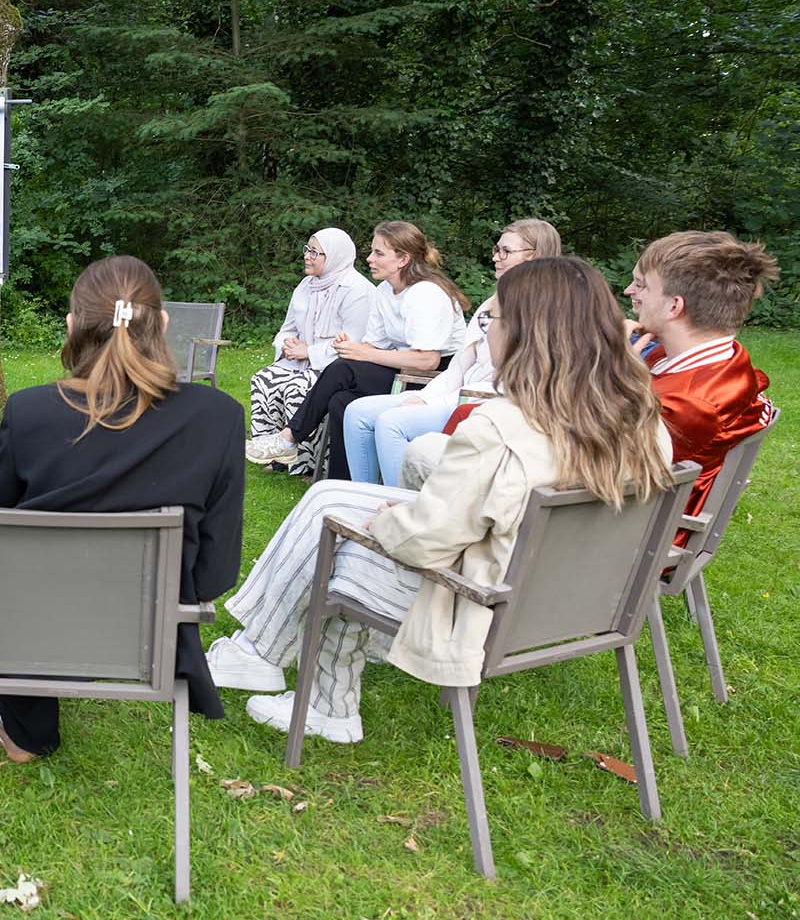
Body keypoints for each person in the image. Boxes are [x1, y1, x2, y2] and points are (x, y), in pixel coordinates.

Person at [208, 257, 673, 743]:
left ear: (525, 335)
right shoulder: (644, 421)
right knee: (333, 493)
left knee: (342, 540)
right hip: (573, 596)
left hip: (481, 604)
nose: (487, 331)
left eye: (495, 319)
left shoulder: (502, 427)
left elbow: (424, 543)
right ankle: (257, 654)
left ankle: (319, 699)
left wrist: (391, 522)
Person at [0, 256, 245, 760]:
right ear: (161, 324)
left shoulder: (29, 412)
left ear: (73, 326)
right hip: (149, 626)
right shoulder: (218, 417)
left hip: (24, 624)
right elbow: (215, 571)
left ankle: (25, 732)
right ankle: (25, 730)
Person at [345, 218, 562, 486]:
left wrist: (438, 401)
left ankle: (401, 507)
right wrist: (425, 398)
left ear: (536, 256)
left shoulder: (548, 310)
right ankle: (362, 496)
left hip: (486, 406)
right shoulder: (491, 303)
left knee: (392, 423)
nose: (496, 257)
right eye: (497, 249)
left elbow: (521, 381)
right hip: (453, 394)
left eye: (506, 251)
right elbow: (459, 367)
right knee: (357, 412)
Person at [246, 220, 468, 480]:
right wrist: (347, 347)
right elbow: (372, 346)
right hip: (400, 369)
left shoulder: (426, 294)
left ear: (403, 259)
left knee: (342, 368)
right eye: (372, 251)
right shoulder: (385, 290)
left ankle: (289, 437)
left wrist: (361, 354)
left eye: (378, 253)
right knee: (341, 400)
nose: (369, 258)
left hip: (432, 380)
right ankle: (340, 482)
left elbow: (428, 360)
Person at [625, 230, 779, 522]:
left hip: (639, 535)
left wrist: (611, 376)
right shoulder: (720, 357)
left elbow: (595, 461)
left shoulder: (692, 404)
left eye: (641, 285)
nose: (629, 292)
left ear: (674, 306)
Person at [246, 228, 376, 478]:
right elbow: (287, 329)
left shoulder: (357, 290)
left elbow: (353, 341)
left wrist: (309, 351)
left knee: (296, 387)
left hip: (336, 365)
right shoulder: (306, 286)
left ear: (335, 256)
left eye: (316, 252)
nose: (308, 256)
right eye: (307, 249)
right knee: (263, 379)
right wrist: (286, 344)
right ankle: (272, 450)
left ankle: (305, 461)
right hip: (300, 360)